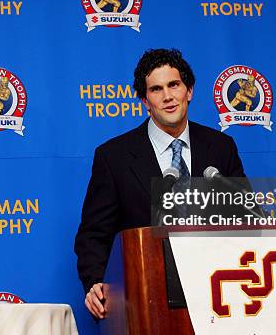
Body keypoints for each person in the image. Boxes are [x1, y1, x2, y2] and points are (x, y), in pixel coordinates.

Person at [74, 49, 246, 319]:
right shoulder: (113, 157)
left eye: (174, 85)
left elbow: (246, 217)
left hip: (220, 296)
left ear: (189, 90)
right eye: (156, 89)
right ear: (145, 100)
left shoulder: (221, 147)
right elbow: (94, 235)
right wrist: (95, 282)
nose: (167, 96)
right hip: (146, 301)